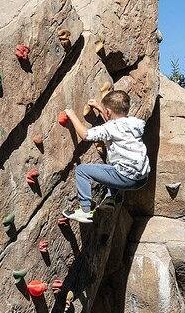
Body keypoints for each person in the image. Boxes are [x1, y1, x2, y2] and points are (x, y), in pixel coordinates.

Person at [61, 90, 150, 224]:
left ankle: (85, 211)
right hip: (142, 178)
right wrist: (99, 107)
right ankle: (110, 199)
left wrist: (72, 115)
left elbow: (85, 135)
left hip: (125, 178)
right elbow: (115, 123)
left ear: (108, 111)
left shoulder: (110, 128)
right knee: (112, 164)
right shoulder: (135, 123)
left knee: (82, 171)